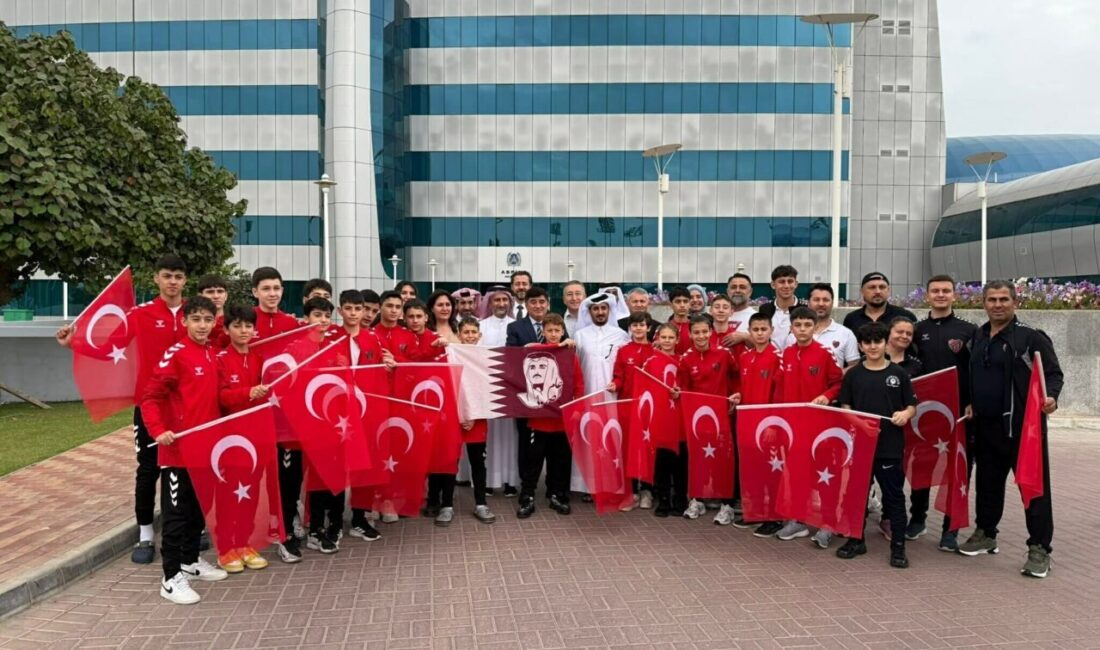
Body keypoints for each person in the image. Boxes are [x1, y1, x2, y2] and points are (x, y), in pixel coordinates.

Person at [55, 254, 189, 564]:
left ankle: (190, 528)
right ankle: (145, 533)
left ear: (185, 280)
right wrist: (73, 343)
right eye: (167, 275)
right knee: (148, 470)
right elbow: (107, 347)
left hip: (188, 406)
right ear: (156, 278)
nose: (172, 281)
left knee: (188, 468)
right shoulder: (139, 314)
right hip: (150, 405)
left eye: (178, 276)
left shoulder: (195, 314)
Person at [959, 280, 1063, 579]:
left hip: (1023, 431)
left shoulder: (1031, 338)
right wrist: (969, 402)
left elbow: (1053, 374)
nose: (998, 305)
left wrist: (1051, 397)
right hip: (986, 428)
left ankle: (1039, 548)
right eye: (992, 299)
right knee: (988, 485)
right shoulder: (977, 337)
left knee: (1034, 489)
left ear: (1015, 302)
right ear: (983, 303)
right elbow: (972, 375)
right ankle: (986, 534)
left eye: (1004, 299)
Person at [141, 296, 229, 604]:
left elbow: (221, 397)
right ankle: (170, 577)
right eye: (196, 319)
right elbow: (150, 398)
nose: (202, 325)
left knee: (199, 509)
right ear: (185, 321)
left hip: (206, 449)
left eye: (208, 319)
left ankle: (190, 561)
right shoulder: (176, 354)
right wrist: (158, 431)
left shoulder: (213, 353)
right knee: (175, 515)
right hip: (177, 452)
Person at [835, 322, 918, 568]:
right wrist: (859, 423)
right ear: (861, 346)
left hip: (889, 446)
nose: (873, 347)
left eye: (877, 342)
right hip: (860, 446)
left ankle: (898, 547)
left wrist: (905, 414)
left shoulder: (898, 374)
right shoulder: (853, 375)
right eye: (868, 343)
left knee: (894, 497)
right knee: (856, 494)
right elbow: (845, 407)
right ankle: (855, 539)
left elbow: (911, 405)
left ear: (885, 343)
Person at [910, 275, 977, 551]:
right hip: (924, 413)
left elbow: (975, 370)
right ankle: (917, 518)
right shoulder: (915, 330)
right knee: (921, 465)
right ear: (927, 295)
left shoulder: (969, 330)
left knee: (957, 469)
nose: (940, 295)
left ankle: (951, 528)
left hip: (959, 413)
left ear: (954, 295)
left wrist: (971, 401)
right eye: (935, 291)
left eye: (946, 291)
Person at [772, 306, 844, 543]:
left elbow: (838, 384)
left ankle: (828, 523)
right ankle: (798, 520)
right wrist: (778, 421)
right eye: (798, 325)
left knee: (825, 476)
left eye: (807, 325)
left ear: (815, 327)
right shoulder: (786, 354)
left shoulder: (825, 353)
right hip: (794, 429)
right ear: (791, 328)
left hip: (820, 428)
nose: (802, 329)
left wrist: (826, 396)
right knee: (797, 474)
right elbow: (779, 389)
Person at [214, 303, 271, 572]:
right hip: (230, 440)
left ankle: (244, 543)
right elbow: (221, 397)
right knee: (229, 494)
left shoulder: (260, 359)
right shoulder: (221, 359)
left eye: (248, 326)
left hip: (256, 438)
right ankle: (226, 547)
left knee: (250, 492)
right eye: (237, 326)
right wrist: (248, 393)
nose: (244, 330)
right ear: (226, 329)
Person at [517, 313, 584, 519]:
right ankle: (527, 496)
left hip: (562, 420)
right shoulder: (534, 352)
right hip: (538, 421)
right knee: (533, 461)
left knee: (560, 461)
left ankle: (557, 494)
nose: (553, 334)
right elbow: (523, 354)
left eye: (557, 330)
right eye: (550, 330)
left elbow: (579, 384)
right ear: (543, 332)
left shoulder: (570, 356)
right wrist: (553, 346)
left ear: (563, 332)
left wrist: (577, 408)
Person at [677, 315, 740, 522]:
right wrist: (677, 392)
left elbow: (736, 377)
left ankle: (727, 504)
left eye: (705, 332)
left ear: (711, 332)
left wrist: (736, 393)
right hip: (698, 419)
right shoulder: (685, 358)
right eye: (696, 332)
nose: (701, 336)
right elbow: (683, 388)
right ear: (690, 334)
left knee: (725, 459)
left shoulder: (724, 354)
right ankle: (697, 499)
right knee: (697, 458)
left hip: (722, 416)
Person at [297, 297, 348, 554]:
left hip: (335, 422)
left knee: (336, 473)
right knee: (317, 477)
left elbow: (343, 384)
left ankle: (335, 524)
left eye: (327, 316)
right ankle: (315, 528)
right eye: (318, 315)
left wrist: (343, 369)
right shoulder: (297, 347)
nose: (323, 320)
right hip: (309, 422)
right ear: (307, 318)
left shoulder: (335, 346)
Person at [340, 289, 388, 543]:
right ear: (340, 310)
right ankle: (330, 520)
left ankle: (360, 518)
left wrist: (390, 364)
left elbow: (381, 372)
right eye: (348, 308)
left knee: (366, 466)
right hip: (338, 415)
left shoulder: (372, 339)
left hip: (367, 412)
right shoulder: (332, 337)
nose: (354, 314)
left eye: (358, 309)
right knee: (336, 465)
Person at [732, 313, 785, 538]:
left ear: (771, 331)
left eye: (764, 329)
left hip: (768, 426)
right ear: (750, 332)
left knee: (771, 471)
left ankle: (774, 517)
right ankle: (754, 512)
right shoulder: (745, 357)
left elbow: (780, 394)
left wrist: (773, 424)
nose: (760, 333)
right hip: (747, 423)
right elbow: (743, 386)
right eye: (756, 329)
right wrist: (738, 395)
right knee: (751, 469)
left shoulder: (777, 357)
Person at [573, 293, 630, 495]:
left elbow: (625, 367)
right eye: (595, 309)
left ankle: (612, 484)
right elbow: (574, 366)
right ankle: (587, 486)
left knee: (612, 438)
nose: (600, 312)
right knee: (589, 437)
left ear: (609, 310)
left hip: (612, 397)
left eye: (603, 308)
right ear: (589, 312)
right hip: (587, 395)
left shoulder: (621, 336)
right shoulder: (580, 335)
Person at [506, 286, 555, 497]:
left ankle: (553, 487)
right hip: (526, 396)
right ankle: (527, 488)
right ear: (526, 305)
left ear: (548, 303)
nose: (538, 306)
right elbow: (511, 357)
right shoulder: (515, 327)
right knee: (527, 441)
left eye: (542, 301)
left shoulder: (556, 324)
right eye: (533, 302)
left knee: (552, 443)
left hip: (552, 398)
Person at [607, 312, 658, 510]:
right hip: (627, 407)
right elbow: (619, 375)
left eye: (642, 325)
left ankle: (647, 490)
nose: (638, 329)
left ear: (649, 328)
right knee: (629, 449)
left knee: (648, 448)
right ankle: (632, 492)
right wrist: (615, 384)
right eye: (634, 325)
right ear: (630, 328)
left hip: (649, 408)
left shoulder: (656, 350)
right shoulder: (623, 350)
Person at [452, 317, 497, 523]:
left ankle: (481, 503)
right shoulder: (452, 355)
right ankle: (446, 504)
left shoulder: (485, 357)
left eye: (473, 332)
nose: (470, 336)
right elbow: (451, 387)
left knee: (478, 462)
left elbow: (488, 391)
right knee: (450, 462)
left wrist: (474, 415)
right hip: (456, 418)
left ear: (479, 335)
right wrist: (462, 415)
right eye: (466, 332)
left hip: (477, 419)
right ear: (459, 335)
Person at [481, 287, 520, 495]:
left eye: (505, 300)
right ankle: (489, 481)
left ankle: (510, 481)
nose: (501, 304)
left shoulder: (516, 326)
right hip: (488, 389)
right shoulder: (481, 326)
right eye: (497, 300)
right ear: (490, 303)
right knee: (490, 436)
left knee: (511, 437)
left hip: (511, 390)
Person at [646, 323, 686, 517]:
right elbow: (644, 387)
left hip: (679, 420)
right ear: (658, 339)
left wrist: (681, 392)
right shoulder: (651, 361)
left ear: (677, 340)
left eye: (671, 337)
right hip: (659, 419)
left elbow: (689, 385)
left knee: (680, 464)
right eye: (664, 337)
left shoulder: (683, 361)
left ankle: (680, 499)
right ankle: (663, 501)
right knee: (661, 463)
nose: (667, 341)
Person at [785, 283, 860, 371]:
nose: (821, 304)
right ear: (808, 302)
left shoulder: (846, 334)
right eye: (816, 300)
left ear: (832, 303)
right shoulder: (793, 335)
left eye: (826, 300)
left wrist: (836, 377)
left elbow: (854, 365)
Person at [842, 272, 917, 332]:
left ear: (888, 290)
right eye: (872, 287)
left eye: (882, 287)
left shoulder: (905, 316)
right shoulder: (852, 319)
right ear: (862, 291)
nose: (878, 291)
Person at [756, 265, 804, 350]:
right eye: (782, 282)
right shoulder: (764, 309)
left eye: (790, 281)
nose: (786, 286)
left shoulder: (805, 310)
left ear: (796, 284)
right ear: (773, 285)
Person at [252, 267, 300, 339]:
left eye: (276, 288)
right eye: (266, 289)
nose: (272, 294)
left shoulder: (292, 323)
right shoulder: (244, 321)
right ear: (255, 292)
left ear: (282, 290)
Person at [722, 273, 756, 348]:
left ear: (750, 291)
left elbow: (764, 346)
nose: (737, 290)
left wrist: (745, 337)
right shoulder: (718, 315)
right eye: (733, 287)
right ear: (727, 291)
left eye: (742, 287)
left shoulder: (756, 317)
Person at [196, 274, 230, 349]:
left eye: (220, 291)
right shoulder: (191, 323)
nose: (216, 296)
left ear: (226, 296)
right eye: (210, 292)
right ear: (200, 296)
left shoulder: (233, 322)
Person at [666, 286, 694, 354]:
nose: (682, 305)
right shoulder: (663, 329)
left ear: (690, 303)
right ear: (670, 304)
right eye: (678, 301)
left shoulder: (696, 328)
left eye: (685, 301)